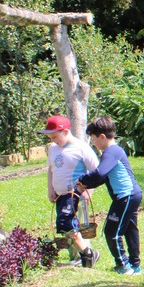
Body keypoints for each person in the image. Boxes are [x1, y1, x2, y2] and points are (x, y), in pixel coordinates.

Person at [76, 116, 143, 275]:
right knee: (130, 229)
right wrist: (86, 185)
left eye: (93, 139)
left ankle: (124, 265)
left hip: (125, 196)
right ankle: (135, 266)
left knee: (112, 232)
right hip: (131, 195)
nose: (93, 143)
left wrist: (82, 180)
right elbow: (103, 177)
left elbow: (99, 174)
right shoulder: (114, 151)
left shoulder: (111, 152)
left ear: (102, 137)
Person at [41, 114, 100, 267]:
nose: (52, 140)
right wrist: (50, 189)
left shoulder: (81, 148)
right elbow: (51, 170)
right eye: (50, 137)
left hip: (75, 194)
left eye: (55, 136)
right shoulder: (53, 149)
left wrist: (88, 192)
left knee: (67, 223)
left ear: (66, 132)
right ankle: (78, 257)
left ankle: (88, 253)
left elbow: (97, 172)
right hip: (60, 195)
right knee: (68, 226)